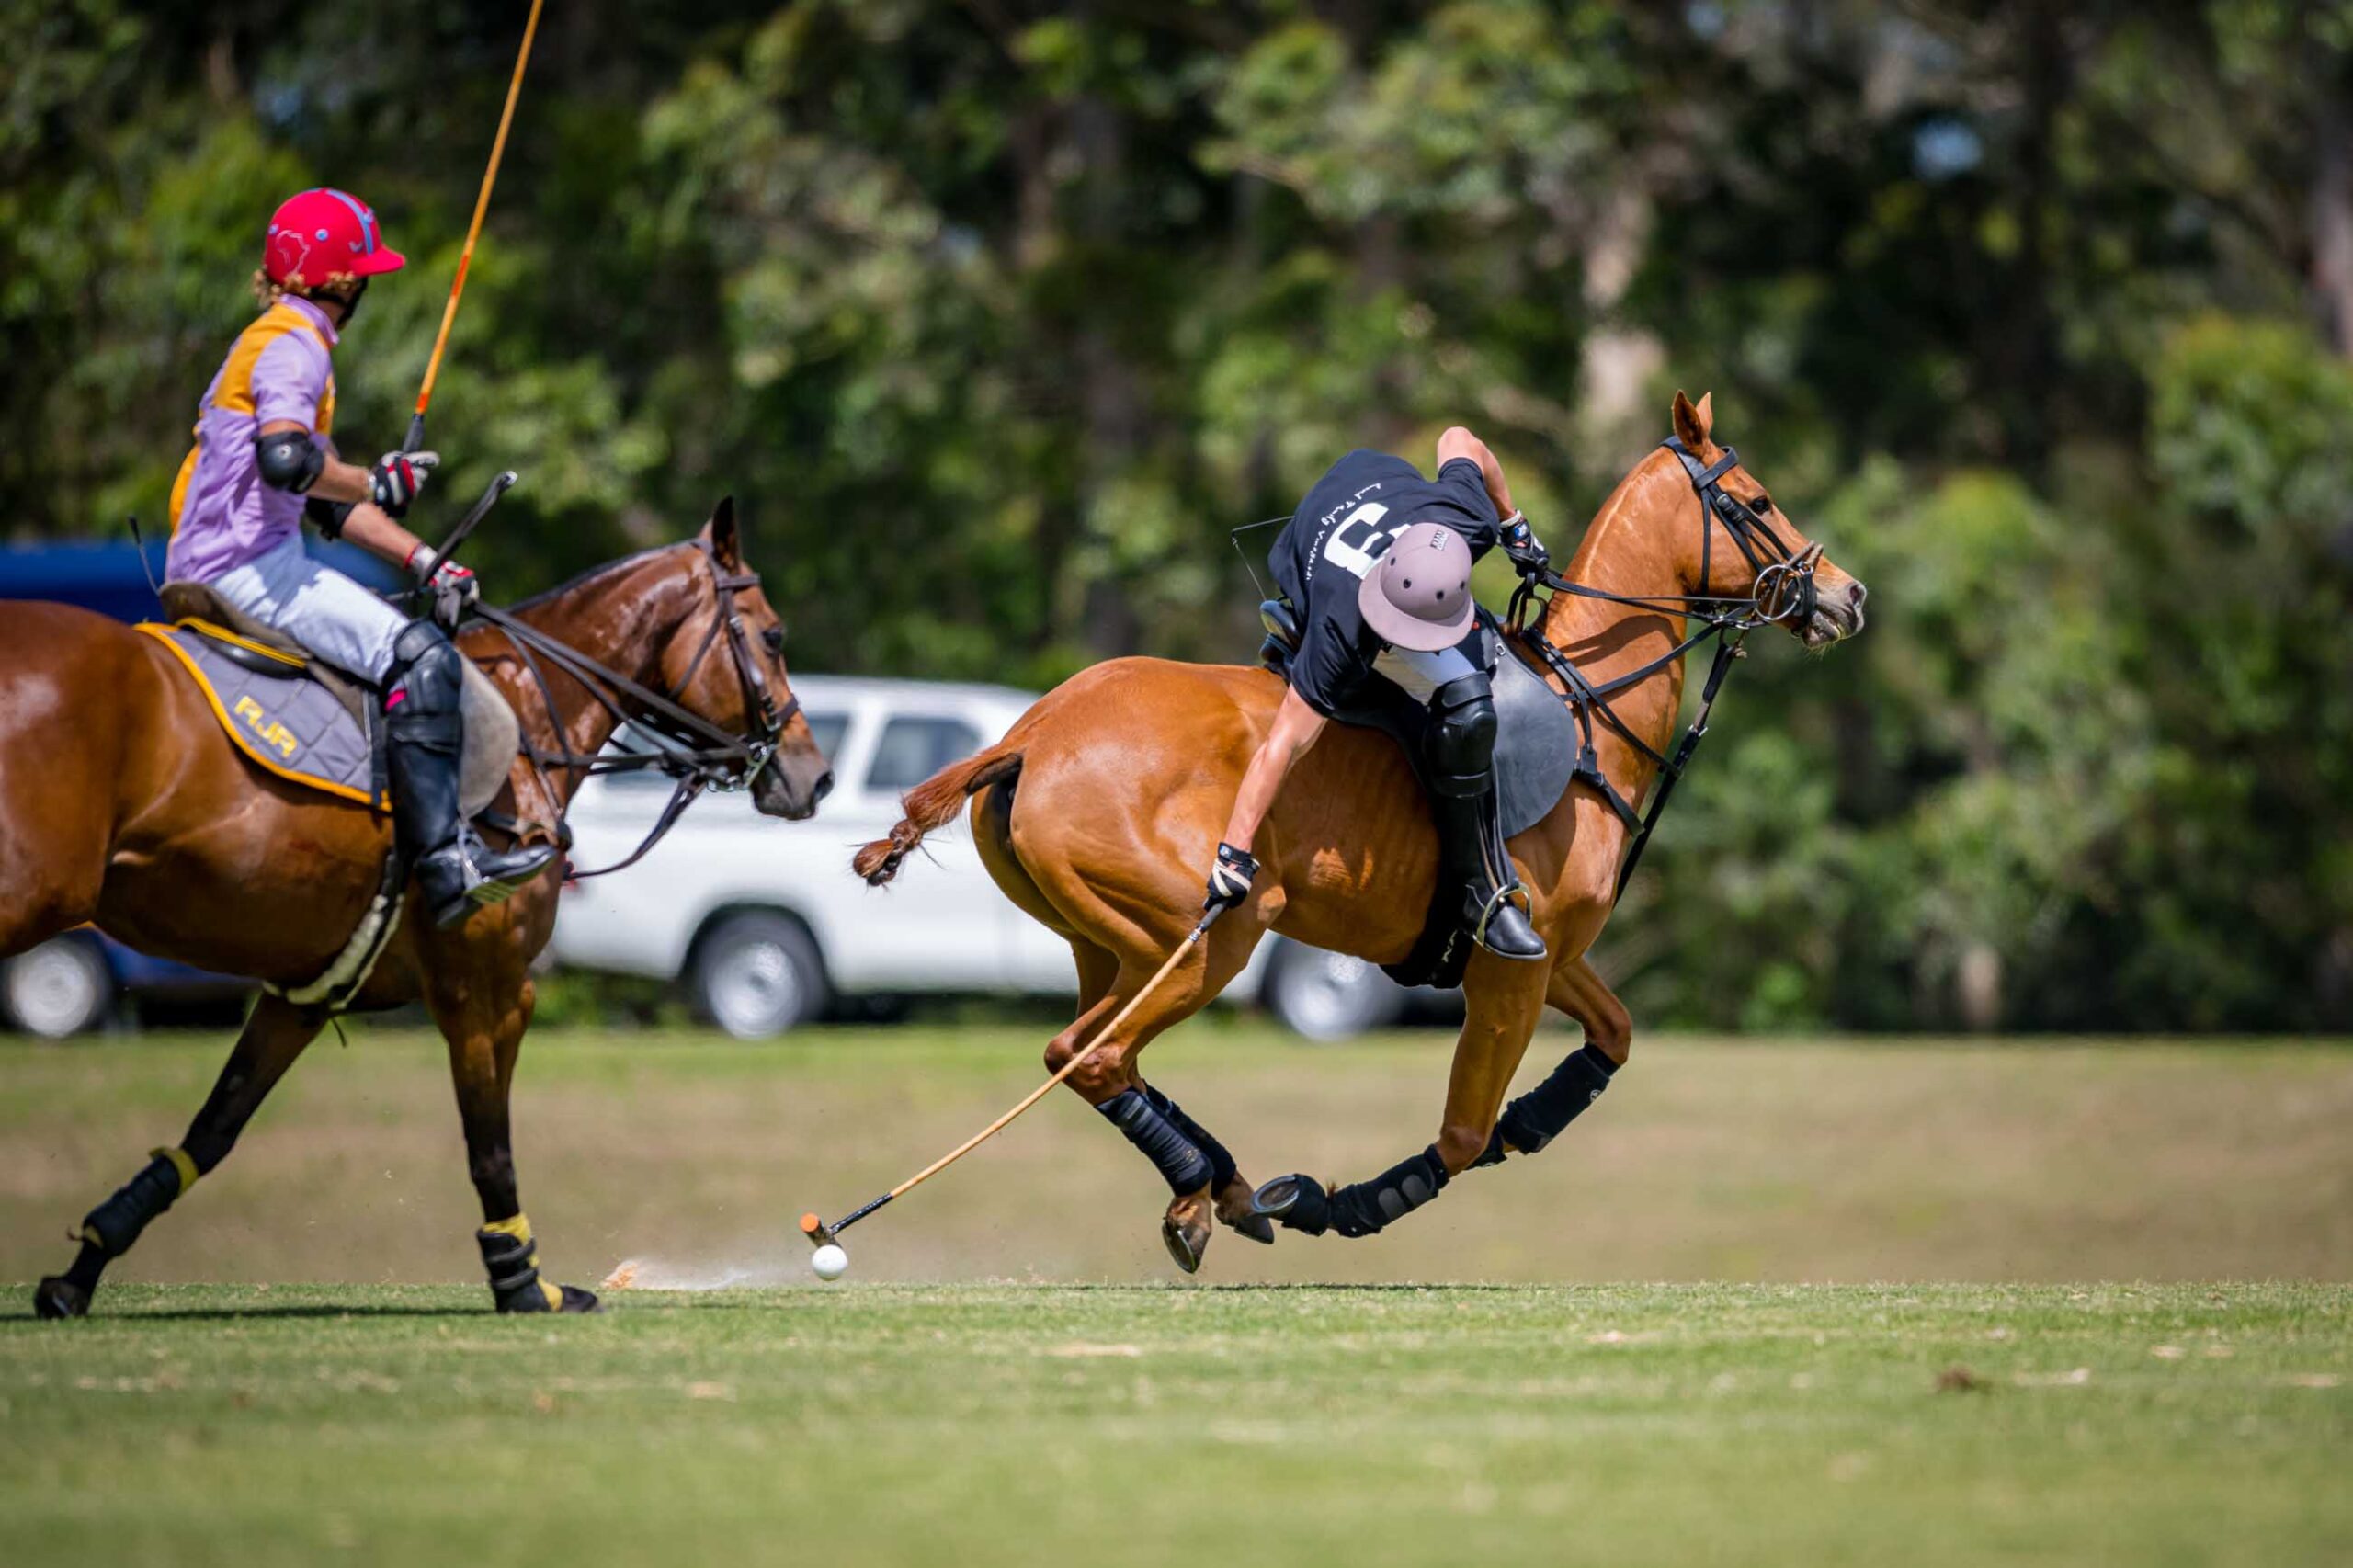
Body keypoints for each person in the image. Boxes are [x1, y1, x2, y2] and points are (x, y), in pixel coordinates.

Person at [163, 187, 551, 928]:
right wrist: (378, 480)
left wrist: (425, 560)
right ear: (344, 282)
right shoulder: (296, 346)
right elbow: (287, 461)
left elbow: (326, 498)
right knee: (423, 661)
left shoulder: (273, 338)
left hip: (224, 558)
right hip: (249, 568)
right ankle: (447, 864)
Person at [1206, 429, 1552, 960]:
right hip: (1321, 546)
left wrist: (1512, 522)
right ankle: (1476, 891)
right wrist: (1234, 851)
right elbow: (1283, 744)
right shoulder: (1339, 628)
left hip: (1369, 477)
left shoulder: (1468, 519)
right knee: (1469, 707)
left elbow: (1459, 438)